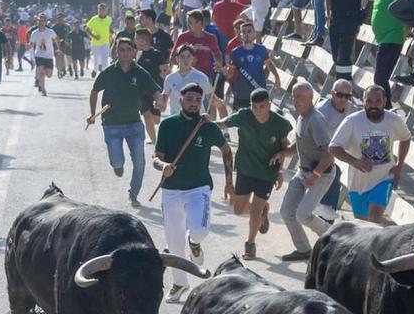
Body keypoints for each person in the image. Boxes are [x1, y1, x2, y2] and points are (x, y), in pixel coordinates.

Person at [153, 82, 232, 297]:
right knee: (174, 244)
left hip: (199, 189)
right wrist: (163, 166)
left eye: (198, 100)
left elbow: (226, 151)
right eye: (189, 99)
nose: (194, 103)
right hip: (171, 191)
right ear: (180, 100)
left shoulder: (208, 126)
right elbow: (156, 158)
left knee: (199, 230)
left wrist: (229, 182)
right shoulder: (167, 125)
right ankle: (180, 284)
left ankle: (194, 243)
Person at [279, 80, 352, 259]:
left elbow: (329, 153)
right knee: (287, 212)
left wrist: (315, 175)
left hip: (322, 173)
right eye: (294, 96)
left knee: (303, 214)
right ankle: (304, 249)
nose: (295, 100)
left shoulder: (315, 120)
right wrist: (282, 153)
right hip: (304, 171)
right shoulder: (302, 116)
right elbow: (300, 143)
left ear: (311, 98)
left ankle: (335, 238)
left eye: (300, 97)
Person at [87, 36, 162, 204]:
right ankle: (118, 165)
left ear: (134, 51)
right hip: (112, 125)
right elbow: (94, 91)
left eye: (129, 49)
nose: (125, 53)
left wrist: (159, 99)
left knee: (140, 162)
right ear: (116, 52)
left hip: (134, 124)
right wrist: (92, 114)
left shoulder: (140, 72)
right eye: (121, 50)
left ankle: (133, 194)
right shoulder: (109, 72)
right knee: (117, 161)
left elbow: (155, 89)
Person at [221, 87, 294, 259]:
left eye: (262, 106)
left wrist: (280, 171)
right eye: (254, 107)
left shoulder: (280, 124)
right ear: (250, 105)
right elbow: (222, 123)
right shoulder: (244, 116)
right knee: (238, 210)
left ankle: (250, 245)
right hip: (245, 170)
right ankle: (263, 211)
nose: (258, 111)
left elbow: (284, 148)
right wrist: (205, 121)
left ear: (269, 104)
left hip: (267, 173)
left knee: (254, 212)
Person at [330, 83, 411, 224]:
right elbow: (333, 147)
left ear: (384, 102)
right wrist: (355, 162)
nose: (373, 105)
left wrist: (399, 165)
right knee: (363, 226)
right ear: (363, 101)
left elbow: (406, 138)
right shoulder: (352, 121)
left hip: (384, 179)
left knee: (374, 217)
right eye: (369, 101)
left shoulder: (394, 120)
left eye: (378, 101)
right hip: (358, 184)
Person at [366, 0, 410, 104]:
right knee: (380, 78)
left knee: (380, 78)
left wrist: (408, 29)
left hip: (392, 38)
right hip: (382, 39)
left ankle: (387, 108)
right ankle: (386, 107)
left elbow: (409, 10)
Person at [27, 16, 57, 93]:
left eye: (43, 21)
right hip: (39, 55)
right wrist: (28, 46)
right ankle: (43, 89)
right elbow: (31, 43)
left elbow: (56, 38)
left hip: (49, 55)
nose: (41, 22)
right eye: (40, 21)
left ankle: (40, 82)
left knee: (49, 75)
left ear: (45, 22)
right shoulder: (34, 33)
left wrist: (58, 49)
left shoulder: (50, 31)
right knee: (41, 72)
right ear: (37, 22)